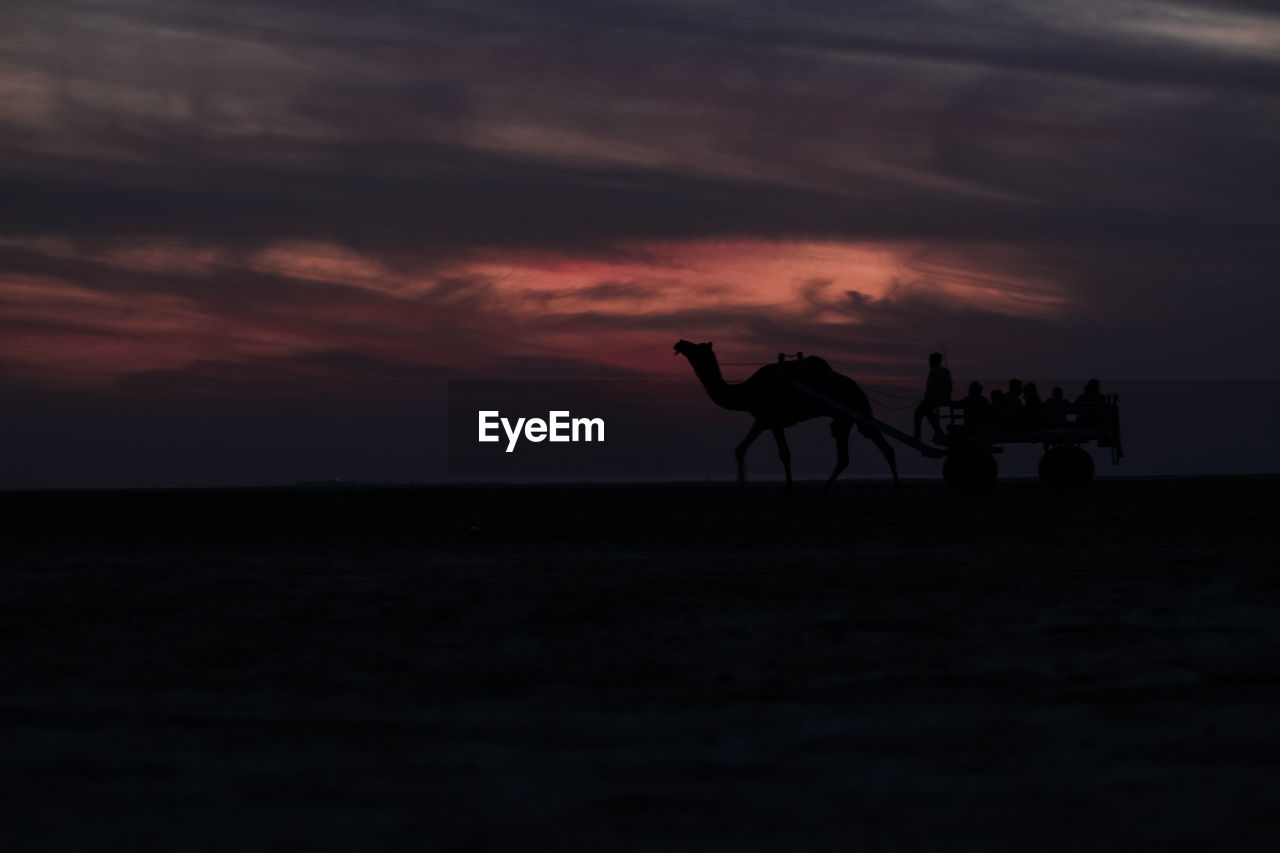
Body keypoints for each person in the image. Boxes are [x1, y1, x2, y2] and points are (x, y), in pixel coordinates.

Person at [913, 352, 952, 443]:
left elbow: (931, 387)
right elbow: (949, 386)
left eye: (930, 360)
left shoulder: (934, 371)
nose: (929, 362)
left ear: (934, 361)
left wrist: (926, 399)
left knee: (918, 412)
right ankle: (938, 432)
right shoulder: (946, 371)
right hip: (945, 398)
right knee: (928, 411)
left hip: (935, 399)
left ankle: (917, 435)